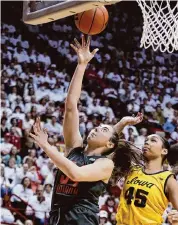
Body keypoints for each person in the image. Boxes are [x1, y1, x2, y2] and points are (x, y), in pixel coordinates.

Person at [29, 36, 143, 225]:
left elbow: (76, 174)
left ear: (109, 143)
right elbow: (71, 106)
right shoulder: (75, 147)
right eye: (99, 126)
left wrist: (46, 146)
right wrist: (81, 65)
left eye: (104, 128)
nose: (97, 128)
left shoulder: (105, 165)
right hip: (58, 219)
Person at [116, 134, 178, 225]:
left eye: (153, 140)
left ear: (164, 151)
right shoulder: (132, 169)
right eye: (146, 141)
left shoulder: (168, 179)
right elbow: (110, 144)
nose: (147, 142)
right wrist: (123, 123)